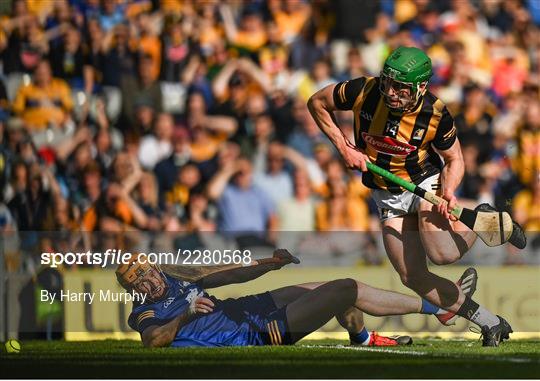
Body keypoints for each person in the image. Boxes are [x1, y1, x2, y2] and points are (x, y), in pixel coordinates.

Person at [307, 46, 524, 346]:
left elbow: (454, 159)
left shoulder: (435, 114)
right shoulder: (363, 90)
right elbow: (316, 101)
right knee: (413, 277)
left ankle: (481, 214)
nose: (391, 92)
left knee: (442, 253)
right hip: (386, 196)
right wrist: (344, 147)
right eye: (388, 83)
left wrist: (448, 190)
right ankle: (490, 322)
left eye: (401, 87)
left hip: (425, 183)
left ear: (421, 87)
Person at [116, 250, 477, 348]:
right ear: (134, 292)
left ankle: (362, 338)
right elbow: (153, 341)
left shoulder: (176, 275)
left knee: (325, 286)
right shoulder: (145, 312)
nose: (149, 282)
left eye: (148, 273)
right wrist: (187, 316)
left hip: (247, 308)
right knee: (344, 288)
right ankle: (442, 308)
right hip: (252, 334)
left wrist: (269, 265)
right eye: (141, 282)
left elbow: (231, 274)